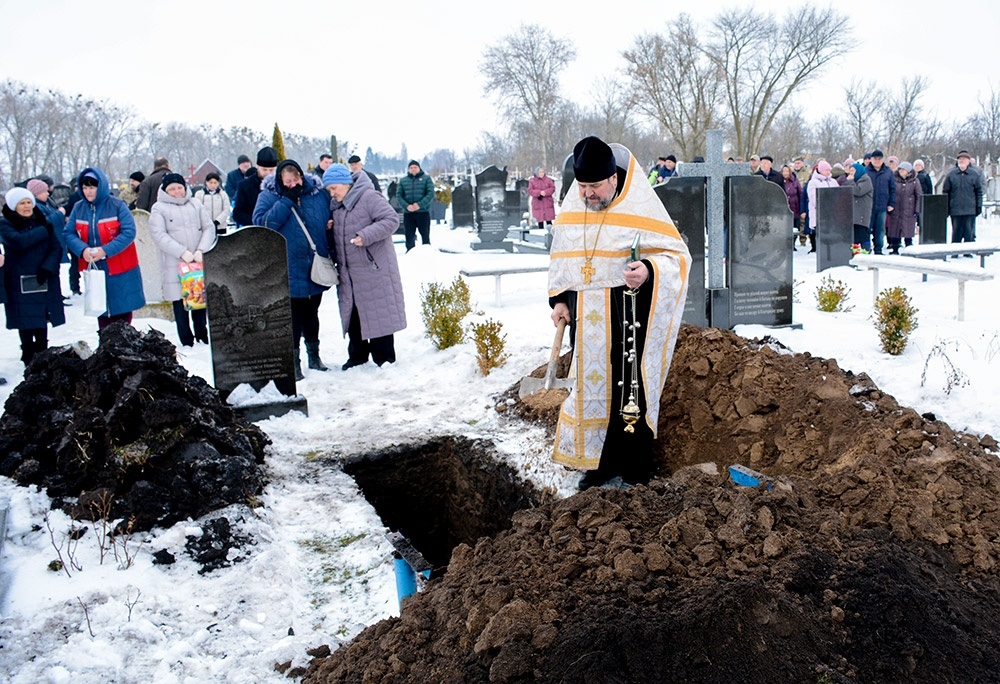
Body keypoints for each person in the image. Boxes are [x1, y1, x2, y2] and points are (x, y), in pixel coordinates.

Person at [548, 136, 690, 489]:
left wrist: (648, 269)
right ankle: (599, 464)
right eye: (582, 187)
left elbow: (676, 257)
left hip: (630, 316)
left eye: (594, 186)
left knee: (631, 389)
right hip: (588, 319)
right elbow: (563, 258)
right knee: (592, 390)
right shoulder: (573, 205)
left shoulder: (640, 204)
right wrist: (561, 299)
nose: (587, 194)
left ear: (613, 178)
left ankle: (636, 466)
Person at [253, 158, 332, 380]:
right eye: (287, 182)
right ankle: (294, 362)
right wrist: (286, 201)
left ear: (301, 177)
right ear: (280, 180)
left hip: (314, 264)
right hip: (288, 265)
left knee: (312, 313)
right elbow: (263, 224)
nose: (291, 185)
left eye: (295, 180)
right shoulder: (269, 196)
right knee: (293, 316)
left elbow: (327, 219)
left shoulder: (316, 194)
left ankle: (314, 356)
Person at [324, 163, 406, 369]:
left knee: (378, 313)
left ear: (346, 183)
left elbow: (391, 220)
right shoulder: (338, 206)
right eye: (329, 190)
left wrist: (366, 235)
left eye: (334, 188)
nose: (332, 193)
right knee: (354, 315)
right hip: (349, 271)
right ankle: (357, 357)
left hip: (373, 268)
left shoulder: (369, 197)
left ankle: (384, 358)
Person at [63, 167, 145, 331]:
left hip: (120, 267)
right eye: (85, 187)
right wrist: (83, 250)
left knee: (122, 308)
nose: (88, 191)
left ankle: (123, 341)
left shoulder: (116, 205)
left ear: (100, 186)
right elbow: (69, 233)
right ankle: (105, 344)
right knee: (100, 307)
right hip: (95, 267)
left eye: (92, 187)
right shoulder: (79, 208)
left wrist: (105, 250)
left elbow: (129, 232)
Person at [149, 173, 216, 347]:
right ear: (165, 190)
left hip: (197, 261)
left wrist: (202, 249)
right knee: (180, 303)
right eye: (172, 189)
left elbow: (209, 227)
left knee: (199, 300)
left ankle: (202, 335)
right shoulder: (159, 208)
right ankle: (186, 340)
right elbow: (159, 235)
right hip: (175, 263)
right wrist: (181, 252)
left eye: (179, 187)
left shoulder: (195, 204)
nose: (177, 191)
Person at [0, 187, 66, 365]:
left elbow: (56, 247)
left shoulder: (42, 221)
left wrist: (47, 268)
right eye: (22, 203)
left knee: (41, 318)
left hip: (42, 276)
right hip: (18, 279)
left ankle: (42, 352)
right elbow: (19, 241)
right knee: (25, 320)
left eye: (29, 202)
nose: (27, 206)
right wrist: (45, 230)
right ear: (14, 206)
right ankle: (28, 354)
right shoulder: (6, 224)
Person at [943, 150, 983, 246]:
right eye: (960, 159)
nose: (962, 161)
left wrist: (978, 206)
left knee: (968, 232)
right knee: (956, 231)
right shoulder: (951, 174)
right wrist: (946, 207)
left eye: (964, 159)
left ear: (968, 161)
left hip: (969, 209)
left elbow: (979, 192)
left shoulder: (974, 174)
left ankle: (968, 251)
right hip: (955, 208)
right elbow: (945, 191)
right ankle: (955, 251)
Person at [233, 146, 279, 228]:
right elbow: (238, 213)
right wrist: (257, 223)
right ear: (257, 166)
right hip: (254, 232)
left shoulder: (282, 184)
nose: (268, 173)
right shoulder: (245, 186)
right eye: (264, 170)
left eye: (271, 170)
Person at [397, 159, 434, 251]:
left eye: (415, 167)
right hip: (408, 213)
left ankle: (427, 253)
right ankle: (410, 254)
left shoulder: (426, 179)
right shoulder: (403, 181)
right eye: (411, 167)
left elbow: (430, 194)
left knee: (425, 235)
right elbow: (399, 195)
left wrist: (419, 205)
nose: (413, 169)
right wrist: (406, 206)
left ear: (419, 168)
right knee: (409, 236)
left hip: (422, 212)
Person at [887, 161, 922, 254]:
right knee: (895, 229)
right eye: (900, 169)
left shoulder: (915, 181)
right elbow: (890, 192)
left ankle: (909, 247)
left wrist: (917, 210)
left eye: (903, 169)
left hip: (909, 209)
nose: (901, 171)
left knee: (908, 229)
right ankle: (894, 248)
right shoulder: (894, 180)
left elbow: (919, 196)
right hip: (896, 208)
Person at [805, 160, 839, 254]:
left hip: (832, 215)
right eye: (826, 170)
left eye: (829, 170)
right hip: (819, 214)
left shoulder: (833, 182)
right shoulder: (813, 182)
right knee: (822, 237)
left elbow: (838, 195)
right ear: (820, 171)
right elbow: (814, 199)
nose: (828, 172)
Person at [866, 149, 895, 255]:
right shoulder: (866, 171)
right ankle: (867, 248)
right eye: (875, 159)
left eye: (879, 159)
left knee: (880, 230)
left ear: (882, 160)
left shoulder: (888, 172)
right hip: (868, 206)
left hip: (883, 206)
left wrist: (891, 203)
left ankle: (878, 249)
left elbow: (892, 189)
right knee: (867, 229)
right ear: (871, 160)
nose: (877, 161)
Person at [847, 161, 873, 253]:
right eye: (850, 171)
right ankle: (856, 255)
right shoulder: (854, 181)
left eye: (853, 171)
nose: (851, 173)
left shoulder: (865, 180)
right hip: (854, 214)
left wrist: (850, 181)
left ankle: (865, 254)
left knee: (863, 235)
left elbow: (858, 191)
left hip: (862, 214)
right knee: (855, 238)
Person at [780, 164, 804, 249]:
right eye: (784, 171)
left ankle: (793, 244)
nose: (785, 173)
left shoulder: (795, 181)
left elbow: (800, 193)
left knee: (795, 227)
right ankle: (785, 244)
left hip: (795, 207)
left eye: (787, 171)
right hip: (783, 208)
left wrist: (801, 207)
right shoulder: (779, 181)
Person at [528, 166, 556, 233]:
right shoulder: (532, 181)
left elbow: (552, 188)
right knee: (540, 220)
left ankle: (551, 234)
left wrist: (545, 192)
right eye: (540, 172)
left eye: (543, 172)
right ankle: (541, 233)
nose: (542, 173)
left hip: (547, 203)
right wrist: (539, 193)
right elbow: (530, 191)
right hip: (538, 203)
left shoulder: (548, 180)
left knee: (549, 220)